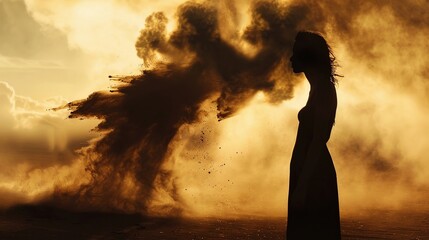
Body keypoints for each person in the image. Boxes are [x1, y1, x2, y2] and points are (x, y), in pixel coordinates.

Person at [287, 31, 341, 239]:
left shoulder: (325, 90)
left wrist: (302, 186)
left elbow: (319, 141)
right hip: (307, 172)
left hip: (315, 176)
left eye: (295, 54)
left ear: (308, 56)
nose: (291, 59)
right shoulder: (316, 88)